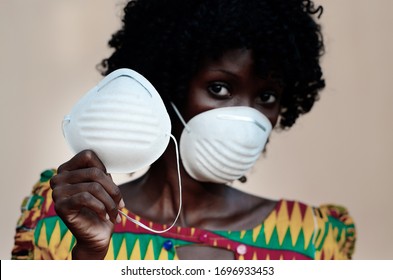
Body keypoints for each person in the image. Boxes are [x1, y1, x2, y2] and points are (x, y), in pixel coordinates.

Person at [12, 0, 355, 260]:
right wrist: (87, 254)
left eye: (267, 96)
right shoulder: (64, 219)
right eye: (220, 88)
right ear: (167, 87)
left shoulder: (314, 238)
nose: (247, 116)